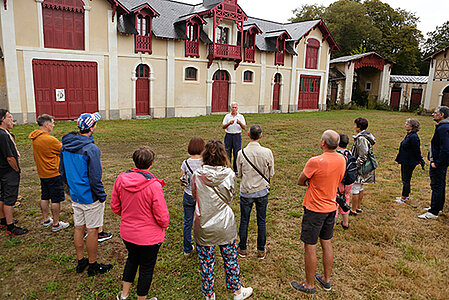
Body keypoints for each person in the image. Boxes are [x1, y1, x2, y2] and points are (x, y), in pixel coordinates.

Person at [192, 139, 253, 300]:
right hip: (224, 224)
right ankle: (237, 292)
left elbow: (194, 195)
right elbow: (231, 196)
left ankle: (209, 294)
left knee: (206, 263)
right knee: (230, 258)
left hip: (204, 223)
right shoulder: (229, 174)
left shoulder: (198, 175)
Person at [291, 130, 346, 294]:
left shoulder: (315, 161)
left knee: (310, 246)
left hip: (315, 209)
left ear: (323, 143)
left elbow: (301, 181)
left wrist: (311, 182)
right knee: (326, 242)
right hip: (331, 207)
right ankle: (326, 280)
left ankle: (309, 285)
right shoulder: (342, 159)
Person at [112, 146, 169, 300]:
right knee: (146, 267)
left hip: (128, 233)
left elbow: (115, 206)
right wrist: (163, 225)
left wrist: (128, 216)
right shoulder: (154, 186)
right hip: (149, 238)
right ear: (151, 164)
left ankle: (124, 295)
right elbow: (162, 216)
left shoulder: (121, 179)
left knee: (132, 259)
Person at [60, 112, 112, 276]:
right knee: (92, 231)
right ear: (91, 127)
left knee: (78, 228)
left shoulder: (65, 146)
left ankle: (81, 261)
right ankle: (93, 265)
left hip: (76, 195)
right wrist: (101, 195)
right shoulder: (91, 148)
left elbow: (62, 172)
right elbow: (95, 177)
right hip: (90, 197)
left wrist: (71, 190)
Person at [236, 125, 274, 259]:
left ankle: (242, 248)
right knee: (261, 221)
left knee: (244, 221)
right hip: (262, 191)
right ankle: (261, 250)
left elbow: (239, 174)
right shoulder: (267, 152)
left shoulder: (241, 153)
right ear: (261, 136)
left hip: (246, 190)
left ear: (248, 135)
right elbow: (271, 173)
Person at [29, 114, 70, 232]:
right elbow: (63, 151)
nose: (53, 125)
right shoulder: (49, 139)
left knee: (45, 196)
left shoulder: (35, 137)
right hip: (53, 173)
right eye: (52, 123)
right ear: (47, 124)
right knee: (56, 199)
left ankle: (46, 219)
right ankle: (56, 223)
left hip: (42, 173)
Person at [0, 109, 28, 236]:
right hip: (8, 172)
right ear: (2, 119)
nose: (11, 118)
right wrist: (16, 170)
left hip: (2, 171)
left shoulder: (4, 133)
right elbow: (10, 157)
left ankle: (3, 220)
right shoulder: (3, 135)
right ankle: (10, 227)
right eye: (9, 117)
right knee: (9, 199)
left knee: (2, 196)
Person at [419, 106, 449, 219]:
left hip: (438, 163)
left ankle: (433, 212)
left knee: (436, 185)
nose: (433, 114)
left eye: (435, 113)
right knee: (440, 185)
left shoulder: (443, 128)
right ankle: (438, 207)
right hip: (441, 162)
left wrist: (437, 162)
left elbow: (446, 148)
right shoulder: (443, 126)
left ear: (442, 115)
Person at [180, 136, 205, 257]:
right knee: (202, 222)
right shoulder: (205, 163)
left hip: (189, 194)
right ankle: (202, 247)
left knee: (188, 222)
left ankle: (187, 249)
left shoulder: (185, 163)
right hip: (202, 196)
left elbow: (181, 181)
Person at [350, 117, 376, 216]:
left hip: (360, 168)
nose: (354, 127)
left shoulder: (361, 138)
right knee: (360, 187)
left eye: (355, 125)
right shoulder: (367, 135)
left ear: (359, 127)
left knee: (356, 188)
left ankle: (353, 210)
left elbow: (363, 155)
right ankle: (358, 207)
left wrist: (355, 166)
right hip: (363, 167)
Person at [395, 119, 424, 204]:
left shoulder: (414, 137)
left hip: (409, 162)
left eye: (407, 124)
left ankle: (404, 197)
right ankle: (406, 195)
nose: (405, 125)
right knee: (405, 179)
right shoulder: (409, 135)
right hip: (406, 160)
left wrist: (420, 160)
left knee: (406, 179)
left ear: (412, 126)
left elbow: (416, 150)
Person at [336, 134, 353, 230]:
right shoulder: (349, 153)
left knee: (335, 201)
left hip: (339, 182)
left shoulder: (336, 154)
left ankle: (331, 224)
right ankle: (345, 223)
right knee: (345, 199)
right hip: (349, 182)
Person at [222, 102, 246, 173]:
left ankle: (236, 169)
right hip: (228, 136)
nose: (234, 109)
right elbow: (223, 126)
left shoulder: (240, 117)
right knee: (227, 152)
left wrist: (240, 123)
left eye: (235, 107)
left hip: (237, 136)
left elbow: (244, 127)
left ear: (237, 108)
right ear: (230, 108)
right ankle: (228, 168)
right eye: (233, 107)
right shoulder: (227, 116)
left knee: (237, 153)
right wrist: (229, 123)